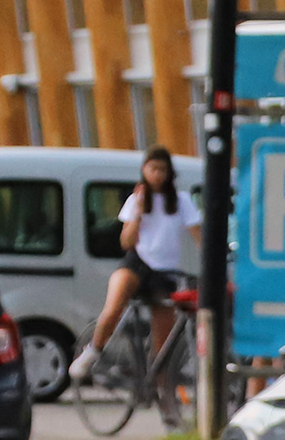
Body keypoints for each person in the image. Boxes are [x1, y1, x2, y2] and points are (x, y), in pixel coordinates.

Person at [68, 148, 202, 382]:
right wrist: (138, 212)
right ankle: (92, 351)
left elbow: (198, 235)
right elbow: (127, 242)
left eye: (162, 170)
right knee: (114, 307)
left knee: (164, 340)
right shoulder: (135, 199)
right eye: (153, 169)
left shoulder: (181, 201)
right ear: (144, 171)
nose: (158, 175)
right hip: (136, 263)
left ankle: (162, 392)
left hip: (164, 271)